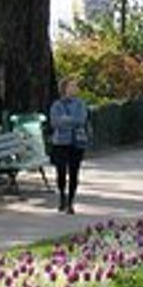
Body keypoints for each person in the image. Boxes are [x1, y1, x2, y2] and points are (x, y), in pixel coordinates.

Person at [48, 79, 92, 213]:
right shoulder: (57, 105)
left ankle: (71, 201)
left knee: (74, 172)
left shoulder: (81, 104)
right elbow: (55, 122)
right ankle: (62, 195)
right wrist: (70, 120)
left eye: (75, 86)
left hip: (77, 142)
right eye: (71, 86)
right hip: (60, 142)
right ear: (64, 89)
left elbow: (81, 120)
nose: (74, 88)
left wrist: (66, 119)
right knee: (61, 171)